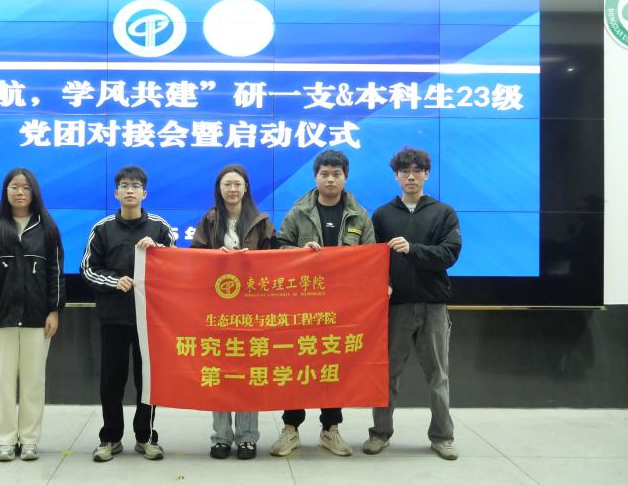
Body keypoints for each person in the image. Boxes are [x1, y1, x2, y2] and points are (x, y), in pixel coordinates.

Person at [270, 149, 375, 457]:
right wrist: (301, 251)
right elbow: (279, 248)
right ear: (315, 177)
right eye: (324, 174)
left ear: (345, 177)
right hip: (302, 303)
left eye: (336, 174)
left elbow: (370, 256)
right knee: (296, 363)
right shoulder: (298, 212)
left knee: (333, 364)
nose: (330, 179)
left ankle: (330, 429)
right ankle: (290, 427)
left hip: (343, 306)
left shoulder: (359, 215)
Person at [364, 147, 462, 461]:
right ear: (396, 176)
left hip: (433, 306)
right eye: (404, 171)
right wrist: (381, 283)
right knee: (387, 374)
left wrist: (412, 249)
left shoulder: (443, 212)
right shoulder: (382, 215)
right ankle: (380, 433)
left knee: (438, 376)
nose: (411, 176)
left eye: (417, 171)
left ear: (426, 174)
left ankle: (443, 437)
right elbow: (371, 258)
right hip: (396, 307)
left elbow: (449, 254)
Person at [0, 168, 65, 462]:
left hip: (38, 317)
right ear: (6, 191)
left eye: (25, 187)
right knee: (3, 383)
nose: (20, 192)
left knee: (33, 383)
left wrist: (54, 310)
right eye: (14, 186)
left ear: (34, 192)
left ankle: (30, 441)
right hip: (1, 318)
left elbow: (56, 272)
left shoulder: (47, 227)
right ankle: (6, 441)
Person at [82, 166, 175, 462]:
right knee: (112, 381)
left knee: (147, 381)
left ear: (144, 193)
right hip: (114, 317)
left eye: (136, 186)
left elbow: (176, 264)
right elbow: (88, 268)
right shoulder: (102, 228)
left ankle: (146, 437)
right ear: (116, 193)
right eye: (125, 185)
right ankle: (110, 437)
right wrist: (113, 281)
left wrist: (157, 249)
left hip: (150, 319)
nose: (130, 190)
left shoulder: (159, 227)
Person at [190, 164, 276, 460]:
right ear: (219, 188)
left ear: (246, 187)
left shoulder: (262, 222)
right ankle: (221, 437)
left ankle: (248, 437)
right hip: (217, 309)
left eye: (237, 184)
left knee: (249, 373)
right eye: (227, 184)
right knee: (220, 372)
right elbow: (194, 258)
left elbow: (276, 261)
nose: (232, 189)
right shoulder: (210, 220)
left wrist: (254, 261)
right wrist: (216, 257)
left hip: (252, 310)